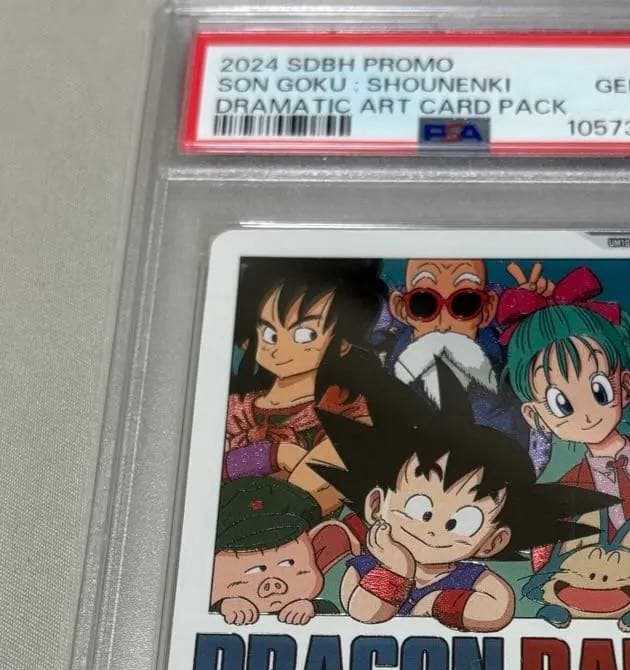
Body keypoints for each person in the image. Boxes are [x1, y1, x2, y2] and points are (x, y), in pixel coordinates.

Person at [312, 357, 614, 633]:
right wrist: (397, 569)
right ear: (377, 505)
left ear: (493, 542)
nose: (433, 529)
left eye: (462, 522)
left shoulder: (471, 580)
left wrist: (434, 605)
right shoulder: (364, 568)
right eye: (420, 509)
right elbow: (366, 612)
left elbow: (498, 610)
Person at [501, 264, 630, 539]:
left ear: (625, 385)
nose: (587, 415)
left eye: (600, 391)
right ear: (534, 415)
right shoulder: (564, 492)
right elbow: (551, 552)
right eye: (562, 405)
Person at [222, 258, 388, 515]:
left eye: (304, 335)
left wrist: (242, 464)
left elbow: (297, 505)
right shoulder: (235, 407)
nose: (280, 348)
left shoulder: (345, 412)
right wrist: (273, 456)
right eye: (269, 333)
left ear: (343, 343)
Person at [384, 258, 529, 446]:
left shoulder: (509, 380)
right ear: (401, 309)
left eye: (465, 304)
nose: (444, 325)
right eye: (424, 303)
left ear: (487, 310)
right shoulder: (381, 368)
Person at [212, 477, 359, 625]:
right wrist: (222, 606)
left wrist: (311, 608)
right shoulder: (208, 608)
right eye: (253, 570)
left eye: (288, 563)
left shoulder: (320, 609)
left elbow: (333, 616)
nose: (273, 584)